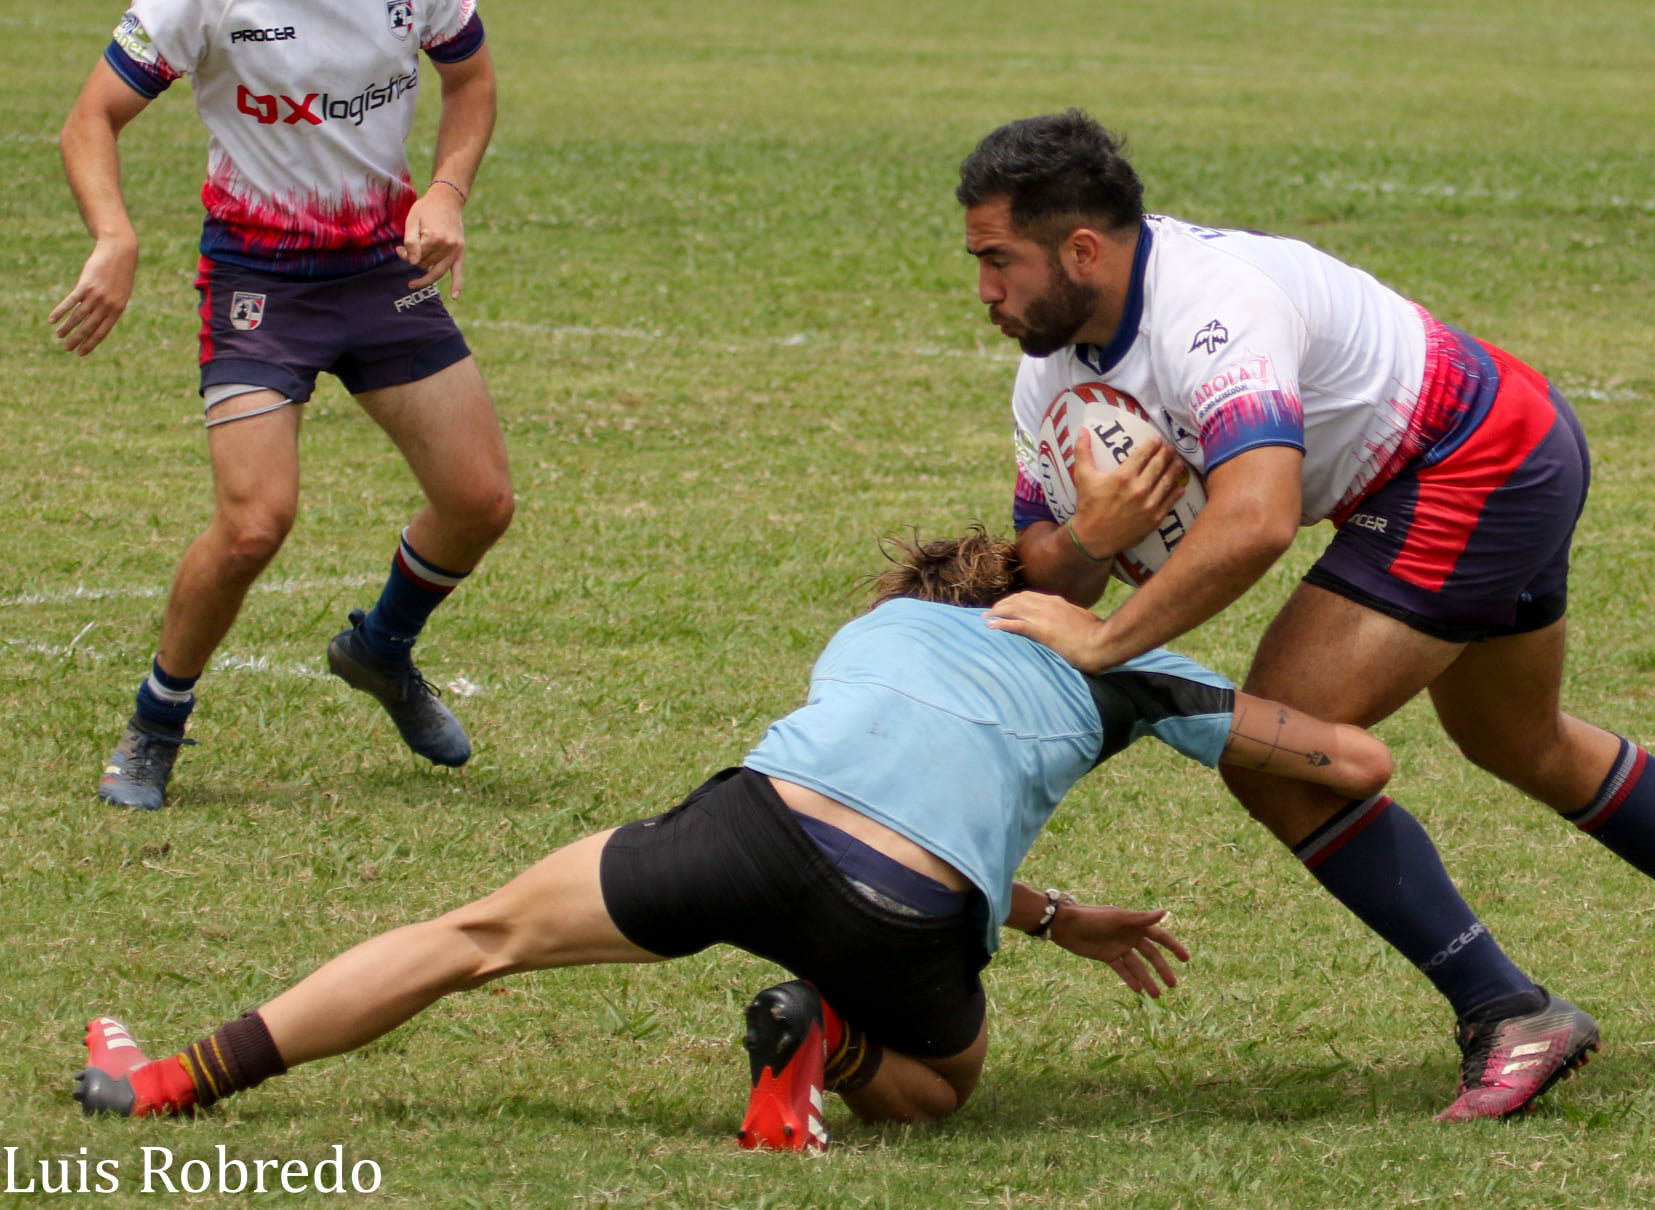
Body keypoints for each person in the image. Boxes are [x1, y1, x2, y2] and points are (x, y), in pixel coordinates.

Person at [960, 111, 1655, 1122]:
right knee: (1518, 738)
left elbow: (1253, 522)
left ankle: (1506, 1009)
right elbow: (1045, 571)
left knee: (1272, 748)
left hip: (1469, 458)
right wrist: (1090, 535)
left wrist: (1112, 641)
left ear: (1080, 248)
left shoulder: (1210, 305)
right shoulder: (1049, 372)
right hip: (1494, 441)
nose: (984, 288)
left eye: (999, 261)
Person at [71, 529, 1392, 1148]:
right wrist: (1161, 673)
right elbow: (1359, 760)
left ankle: (169, 1083)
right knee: (945, 1084)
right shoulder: (1131, 663)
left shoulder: (875, 629)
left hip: (751, 827)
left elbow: (883, 770)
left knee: (467, 938)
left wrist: (1051, 909)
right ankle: (827, 1038)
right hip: (907, 908)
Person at [52, 0, 513, 809]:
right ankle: (155, 724)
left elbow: (469, 77)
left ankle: (381, 648)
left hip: (383, 268)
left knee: (479, 504)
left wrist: (446, 191)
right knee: (253, 524)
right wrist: (114, 236)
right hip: (258, 281)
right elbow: (91, 117)